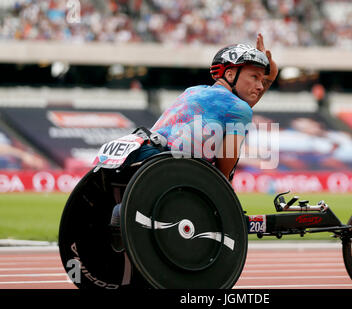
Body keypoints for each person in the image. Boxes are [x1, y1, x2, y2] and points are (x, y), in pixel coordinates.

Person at [110, 33, 278, 228]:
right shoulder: (239, 110)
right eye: (255, 77)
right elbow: (224, 173)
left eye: (262, 80)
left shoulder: (193, 91)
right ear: (231, 74)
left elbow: (238, 106)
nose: (259, 86)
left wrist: (269, 77)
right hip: (172, 174)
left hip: (142, 158)